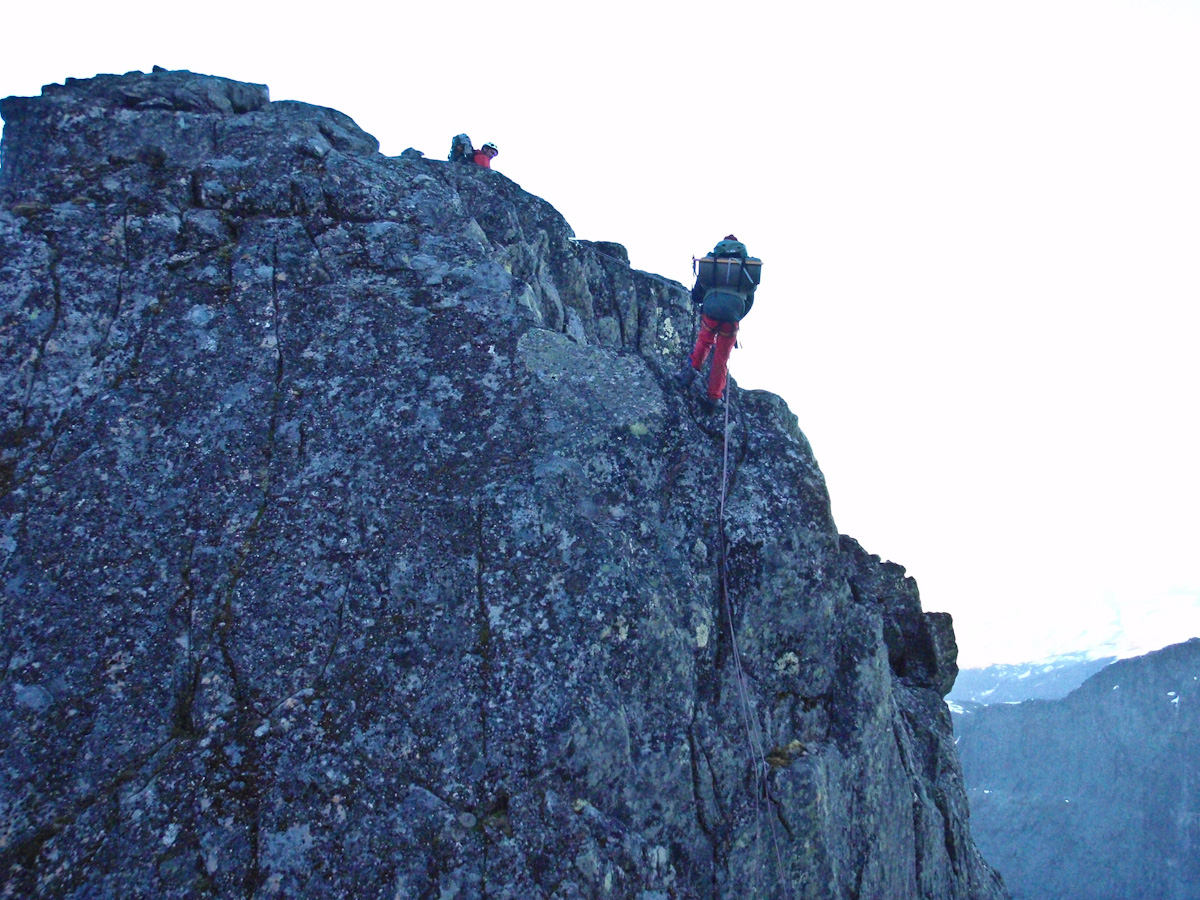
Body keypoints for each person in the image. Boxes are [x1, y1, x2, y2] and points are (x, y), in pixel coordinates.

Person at [675, 235, 758, 413]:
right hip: (732, 317)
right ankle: (713, 397)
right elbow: (749, 300)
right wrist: (737, 315)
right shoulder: (745, 268)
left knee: (704, 342)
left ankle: (688, 375)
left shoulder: (713, 263)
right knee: (722, 355)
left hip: (711, 311)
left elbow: (697, 294)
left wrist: (703, 300)